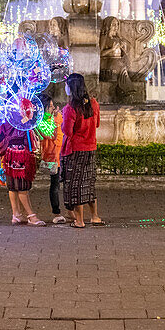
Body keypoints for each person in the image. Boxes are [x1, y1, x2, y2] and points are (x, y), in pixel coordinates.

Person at [0, 103, 44, 226]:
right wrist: (26, 119)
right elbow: (23, 132)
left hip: (9, 153)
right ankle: (31, 215)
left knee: (13, 186)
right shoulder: (17, 114)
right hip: (19, 153)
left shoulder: (4, 112)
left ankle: (16, 214)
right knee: (21, 186)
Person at [61, 73, 103, 229]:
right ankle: (95, 217)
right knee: (89, 183)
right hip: (91, 148)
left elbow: (68, 131)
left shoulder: (70, 108)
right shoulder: (93, 104)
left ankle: (79, 220)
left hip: (75, 150)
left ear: (71, 87)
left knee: (75, 185)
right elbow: (97, 124)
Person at [38, 96, 73, 225]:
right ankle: (56, 213)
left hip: (64, 153)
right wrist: (54, 119)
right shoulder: (40, 122)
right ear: (45, 108)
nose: (53, 108)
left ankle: (70, 211)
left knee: (68, 183)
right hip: (52, 157)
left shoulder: (58, 117)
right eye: (50, 106)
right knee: (55, 186)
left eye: (53, 105)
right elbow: (51, 135)